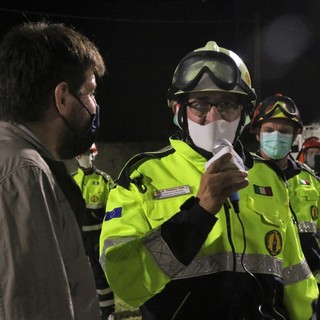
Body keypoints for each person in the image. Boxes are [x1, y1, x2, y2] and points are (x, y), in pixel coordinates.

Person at [100, 41, 318, 319]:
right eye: (200, 103)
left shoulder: (269, 177)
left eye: (227, 103)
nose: (213, 117)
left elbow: (296, 275)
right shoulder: (142, 175)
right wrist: (199, 214)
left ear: (244, 112)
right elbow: (124, 282)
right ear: (179, 110)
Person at [0, 21, 106, 319]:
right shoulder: (23, 172)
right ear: (62, 97)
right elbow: (32, 305)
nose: (94, 106)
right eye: (90, 92)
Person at [250, 93, 320, 285]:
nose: (276, 136)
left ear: (295, 135)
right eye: (269, 130)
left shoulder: (311, 180)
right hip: (260, 289)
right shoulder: (242, 177)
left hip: (309, 288)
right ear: (258, 134)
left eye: (284, 131)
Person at [72, 143, 115, 319]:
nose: (85, 156)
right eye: (82, 153)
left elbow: (113, 211)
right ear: (76, 156)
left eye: (89, 152)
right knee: (78, 276)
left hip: (97, 237)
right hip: (77, 237)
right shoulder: (71, 180)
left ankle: (108, 313)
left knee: (100, 276)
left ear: (94, 154)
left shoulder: (105, 180)